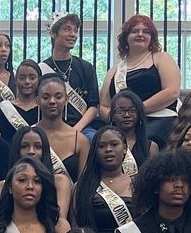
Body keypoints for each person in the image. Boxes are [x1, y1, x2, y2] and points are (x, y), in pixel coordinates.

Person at [99, 14, 181, 148]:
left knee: (144, 143)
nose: (140, 34)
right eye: (135, 31)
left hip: (159, 121)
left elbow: (172, 92)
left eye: (146, 32)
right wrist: (118, 118)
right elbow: (104, 106)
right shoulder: (114, 70)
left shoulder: (161, 58)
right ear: (126, 37)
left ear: (152, 37)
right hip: (123, 126)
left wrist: (137, 111)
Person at [71, 126, 133, 233]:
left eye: (114, 144)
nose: (108, 149)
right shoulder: (82, 186)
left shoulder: (140, 185)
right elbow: (77, 226)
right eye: (101, 146)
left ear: (125, 148)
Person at [40, 12, 101, 140]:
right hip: (47, 126)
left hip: (82, 128)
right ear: (53, 33)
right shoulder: (41, 69)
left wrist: (75, 130)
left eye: (75, 30)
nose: (73, 34)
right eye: (67, 29)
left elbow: (93, 107)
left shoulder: (86, 68)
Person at [2, 126, 73, 230]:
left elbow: (59, 219)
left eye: (38, 147)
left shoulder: (60, 181)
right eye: (24, 146)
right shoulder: (1, 186)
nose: (31, 151)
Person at [35, 74, 90, 182]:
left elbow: (83, 185)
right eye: (46, 97)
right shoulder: (29, 136)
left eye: (58, 97)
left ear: (66, 100)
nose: (52, 101)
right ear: (37, 101)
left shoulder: (80, 140)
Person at [109, 90, 158, 177]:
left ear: (139, 114)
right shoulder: (104, 145)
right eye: (120, 111)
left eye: (132, 110)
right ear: (112, 115)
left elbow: (154, 178)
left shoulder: (151, 147)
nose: (127, 115)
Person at [0, 59, 41, 144]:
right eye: (22, 78)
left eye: (32, 78)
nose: (27, 82)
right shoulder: (4, 109)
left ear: (38, 80)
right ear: (16, 80)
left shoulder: (44, 109)